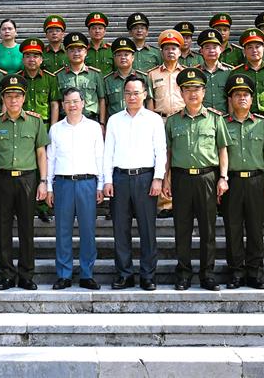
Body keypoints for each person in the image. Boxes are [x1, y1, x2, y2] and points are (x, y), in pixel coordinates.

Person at [162, 68, 229, 291]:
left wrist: (223, 177)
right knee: (182, 228)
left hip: (207, 178)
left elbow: (222, 150)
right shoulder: (172, 121)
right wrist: (166, 178)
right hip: (181, 178)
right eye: (188, 89)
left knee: (208, 229)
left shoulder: (215, 118)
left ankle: (207, 274)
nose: (193, 93)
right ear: (181, 92)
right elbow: (168, 152)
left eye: (197, 89)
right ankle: (183, 274)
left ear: (204, 91)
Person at [0, 75, 49, 290]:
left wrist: (43, 181)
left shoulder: (35, 121)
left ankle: (26, 274)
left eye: (17, 96)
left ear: (24, 98)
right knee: (4, 228)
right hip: (2, 181)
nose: (13, 100)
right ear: (3, 98)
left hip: (27, 179)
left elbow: (41, 154)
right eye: (9, 96)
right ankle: (7, 274)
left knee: (27, 228)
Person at [103, 75, 166, 290]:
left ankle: (148, 275)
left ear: (145, 94)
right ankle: (124, 274)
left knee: (147, 229)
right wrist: (107, 180)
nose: (132, 96)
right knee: (121, 229)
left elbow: (161, 151)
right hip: (120, 178)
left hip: (145, 178)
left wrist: (158, 178)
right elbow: (107, 152)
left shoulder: (154, 119)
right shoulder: (114, 119)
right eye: (128, 92)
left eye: (136, 92)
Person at [222, 73, 264, 289]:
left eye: (245, 95)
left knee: (255, 229)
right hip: (233, 182)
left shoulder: (263, 125)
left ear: (252, 99)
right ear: (230, 99)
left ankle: (255, 273)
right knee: (232, 228)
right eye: (237, 95)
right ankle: (236, 272)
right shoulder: (222, 124)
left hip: (257, 181)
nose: (241, 98)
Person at [47, 88, 104, 290]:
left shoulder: (94, 127)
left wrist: (100, 184)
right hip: (62, 183)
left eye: (75, 101)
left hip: (87, 183)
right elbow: (50, 159)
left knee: (88, 230)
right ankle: (64, 274)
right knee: (63, 230)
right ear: (62, 105)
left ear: (83, 103)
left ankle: (87, 274)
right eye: (68, 102)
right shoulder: (56, 129)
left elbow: (100, 156)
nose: (72, 105)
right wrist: (48, 186)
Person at [55, 32, 108, 122]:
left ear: (86, 52)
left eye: (79, 50)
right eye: (72, 50)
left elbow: (102, 99)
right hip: (66, 120)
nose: (76, 53)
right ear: (66, 53)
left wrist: (102, 123)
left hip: (91, 119)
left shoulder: (95, 74)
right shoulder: (59, 75)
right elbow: (56, 102)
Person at [102, 36, 153, 120]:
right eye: (119, 55)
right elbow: (105, 104)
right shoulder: (107, 80)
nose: (123, 58)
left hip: (140, 120)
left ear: (132, 57)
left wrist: (150, 120)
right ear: (114, 58)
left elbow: (149, 100)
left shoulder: (143, 77)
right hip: (116, 122)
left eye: (126, 55)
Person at [18, 38, 60, 125]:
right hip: (22, 124)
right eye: (28, 56)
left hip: (44, 125)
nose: (31, 59)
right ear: (23, 60)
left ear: (41, 60)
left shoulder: (50, 78)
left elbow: (54, 104)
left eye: (35, 56)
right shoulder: (17, 79)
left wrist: (53, 128)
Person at [146, 29, 185, 118]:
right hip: (160, 118)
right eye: (166, 49)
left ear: (179, 52)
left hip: (181, 118)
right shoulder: (152, 74)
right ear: (162, 53)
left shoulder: (185, 73)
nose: (170, 51)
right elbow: (150, 99)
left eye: (174, 49)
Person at [195, 28, 233, 115]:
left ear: (220, 49)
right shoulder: (196, 72)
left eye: (215, 47)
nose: (211, 51)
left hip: (224, 118)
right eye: (207, 48)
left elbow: (232, 98)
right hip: (203, 119)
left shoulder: (229, 72)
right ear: (201, 51)